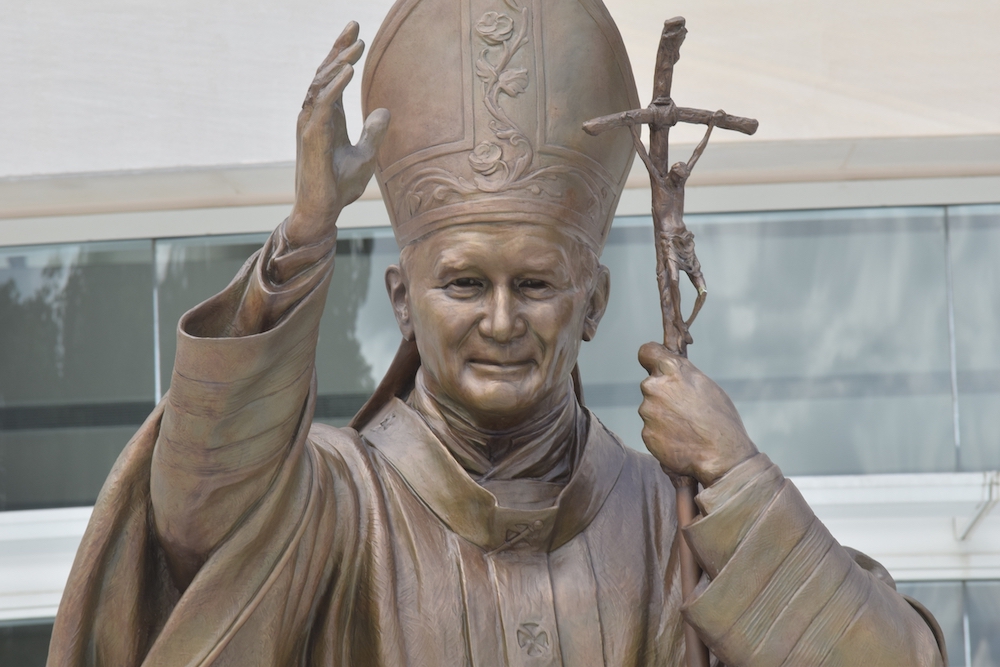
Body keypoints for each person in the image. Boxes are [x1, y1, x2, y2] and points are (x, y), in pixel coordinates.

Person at [48, 2, 946, 666]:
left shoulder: (671, 521)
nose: (504, 320)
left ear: (593, 303)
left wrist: (739, 480)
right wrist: (303, 241)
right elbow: (198, 515)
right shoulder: (335, 501)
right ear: (404, 300)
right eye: (466, 283)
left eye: (539, 284)